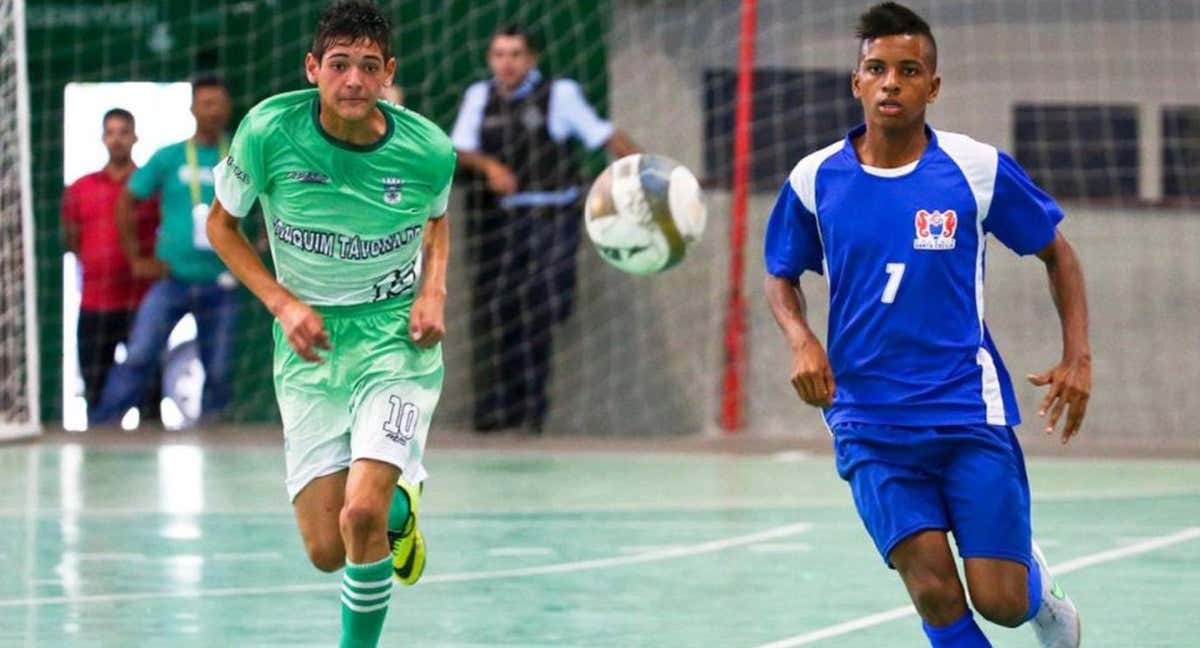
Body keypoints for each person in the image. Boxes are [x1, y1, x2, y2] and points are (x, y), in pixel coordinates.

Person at [763, 4, 1089, 647]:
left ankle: (1035, 588)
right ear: (856, 81)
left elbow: (1058, 253)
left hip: (967, 408)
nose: (891, 82)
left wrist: (1077, 356)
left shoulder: (976, 169)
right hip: (867, 417)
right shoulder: (814, 179)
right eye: (876, 69)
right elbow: (781, 273)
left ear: (932, 87)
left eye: (908, 70)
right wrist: (802, 339)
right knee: (934, 591)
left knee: (999, 602)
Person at [207, 2, 454, 646]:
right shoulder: (267, 132)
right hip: (309, 348)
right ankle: (402, 509)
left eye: (368, 67)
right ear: (312, 67)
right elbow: (221, 226)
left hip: (396, 343)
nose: (352, 81)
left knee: (359, 510)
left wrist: (434, 290)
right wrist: (283, 304)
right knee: (328, 547)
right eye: (338, 65)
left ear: (388, 73)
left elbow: (436, 216)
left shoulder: (427, 149)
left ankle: (383, 513)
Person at [450, 23, 639, 433]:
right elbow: (460, 147)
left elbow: (603, 135)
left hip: (552, 219)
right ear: (489, 59)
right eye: (499, 54)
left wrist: (648, 172)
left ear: (531, 59)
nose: (507, 63)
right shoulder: (479, 97)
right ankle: (498, 414)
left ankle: (533, 413)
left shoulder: (560, 94)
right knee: (500, 313)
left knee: (544, 309)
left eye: (515, 54)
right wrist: (489, 165)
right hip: (498, 223)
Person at [90, 75, 239, 425]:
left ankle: (213, 433)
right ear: (192, 108)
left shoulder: (238, 153)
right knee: (139, 354)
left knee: (218, 368)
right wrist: (136, 258)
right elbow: (127, 201)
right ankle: (102, 425)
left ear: (228, 108)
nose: (212, 110)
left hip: (222, 281)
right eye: (205, 103)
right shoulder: (170, 157)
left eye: (218, 103)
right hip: (172, 278)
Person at [61, 108, 159, 413]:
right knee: (95, 392)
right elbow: (73, 240)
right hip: (94, 304)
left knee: (149, 396)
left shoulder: (149, 186)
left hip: (141, 305)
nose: (117, 139)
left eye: (123, 132)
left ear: (135, 137)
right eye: (111, 132)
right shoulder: (80, 188)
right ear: (103, 138)